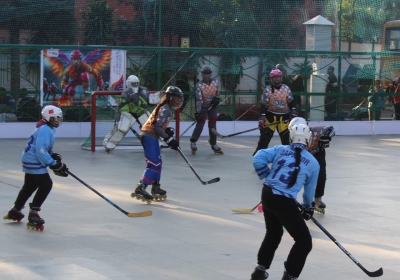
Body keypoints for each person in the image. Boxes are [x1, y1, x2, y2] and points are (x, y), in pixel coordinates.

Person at [251, 123, 320, 280]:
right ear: (308, 140)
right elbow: (309, 192)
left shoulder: (280, 149)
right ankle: (290, 275)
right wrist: (307, 207)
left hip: (267, 194)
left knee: (274, 233)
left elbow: (258, 157)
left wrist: (268, 175)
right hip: (283, 202)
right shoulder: (313, 163)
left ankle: (260, 271)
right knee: (304, 241)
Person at [3, 105, 68, 231]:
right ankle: (34, 213)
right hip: (34, 160)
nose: (58, 121)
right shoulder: (45, 129)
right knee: (46, 184)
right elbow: (40, 151)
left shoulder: (48, 128)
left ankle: (15, 210)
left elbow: (43, 147)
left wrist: (52, 154)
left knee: (30, 185)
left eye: (60, 118)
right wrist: (53, 163)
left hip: (29, 158)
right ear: (48, 118)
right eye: (56, 118)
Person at [131, 86, 183, 203]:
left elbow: (159, 125)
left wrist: (166, 131)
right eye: (176, 98)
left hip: (151, 135)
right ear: (170, 98)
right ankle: (141, 187)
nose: (179, 100)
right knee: (153, 164)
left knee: (158, 163)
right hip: (149, 136)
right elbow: (156, 127)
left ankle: (156, 187)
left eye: (180, 98)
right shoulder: (166, 109)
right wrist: (168, 139)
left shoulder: (166, 107)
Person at [288, 117, 335, 213]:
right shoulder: (290, 136)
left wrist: (326, 137)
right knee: (293, 173)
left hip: (317, 153)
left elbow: (331, 129)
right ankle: (285, 194)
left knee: (321, 175)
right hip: (301, 154)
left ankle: (318, 198)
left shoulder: (317, 130)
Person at [253, 69, 296, 156]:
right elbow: (264, 105)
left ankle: (288, 160)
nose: (277, 79)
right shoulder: (268, 90)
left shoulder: (286, 88)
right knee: (264, 140)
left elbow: (291, 101)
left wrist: (294, 112)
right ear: (271, 79)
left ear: (281, 78)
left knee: (286, 142)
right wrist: (262, 119)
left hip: (284, 118)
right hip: (270, 117)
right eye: (274, 77)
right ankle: (257, 158)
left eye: (278, 77)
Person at [102, 75, 150, 152]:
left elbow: (147, 101)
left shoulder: (143, 91)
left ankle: (155, 144)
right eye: (134, 83)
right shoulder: (126, 93)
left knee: (150, 127)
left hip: (140, 112)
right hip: (129, 113)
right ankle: (108, 143)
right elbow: (121, 103)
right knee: (122, 128)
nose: (136, 85)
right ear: (129, 83)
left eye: (137, 83)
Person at [189, 66, 223, 155]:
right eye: (205, 74)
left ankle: (213, 144)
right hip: (203, 106)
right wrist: (198, 111)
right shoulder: (199, 85)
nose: (206, 76)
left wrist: (217, 99)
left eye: (208, 74)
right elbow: (199, 99)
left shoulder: (215, 82)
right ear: (202, 75)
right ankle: (193, 141)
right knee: (200, 124)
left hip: (213, 106)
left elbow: (218, 93)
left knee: (212, 125)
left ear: (210, 74)